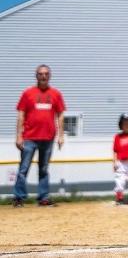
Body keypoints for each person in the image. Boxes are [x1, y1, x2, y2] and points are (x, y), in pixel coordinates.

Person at [13, 64, 65, 208]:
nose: (43, 76)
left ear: (50, 76)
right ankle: (19, 198)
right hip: (29, 138)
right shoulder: (28, 93)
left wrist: (61, 135)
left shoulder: (56, 94)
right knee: (23, 169)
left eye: (46, 74)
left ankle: (43, 198)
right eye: (41, 74)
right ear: (36, 76)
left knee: (43, 169)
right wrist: (18, 136)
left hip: (48, 138)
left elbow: (60, 115)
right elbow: (21, 114)